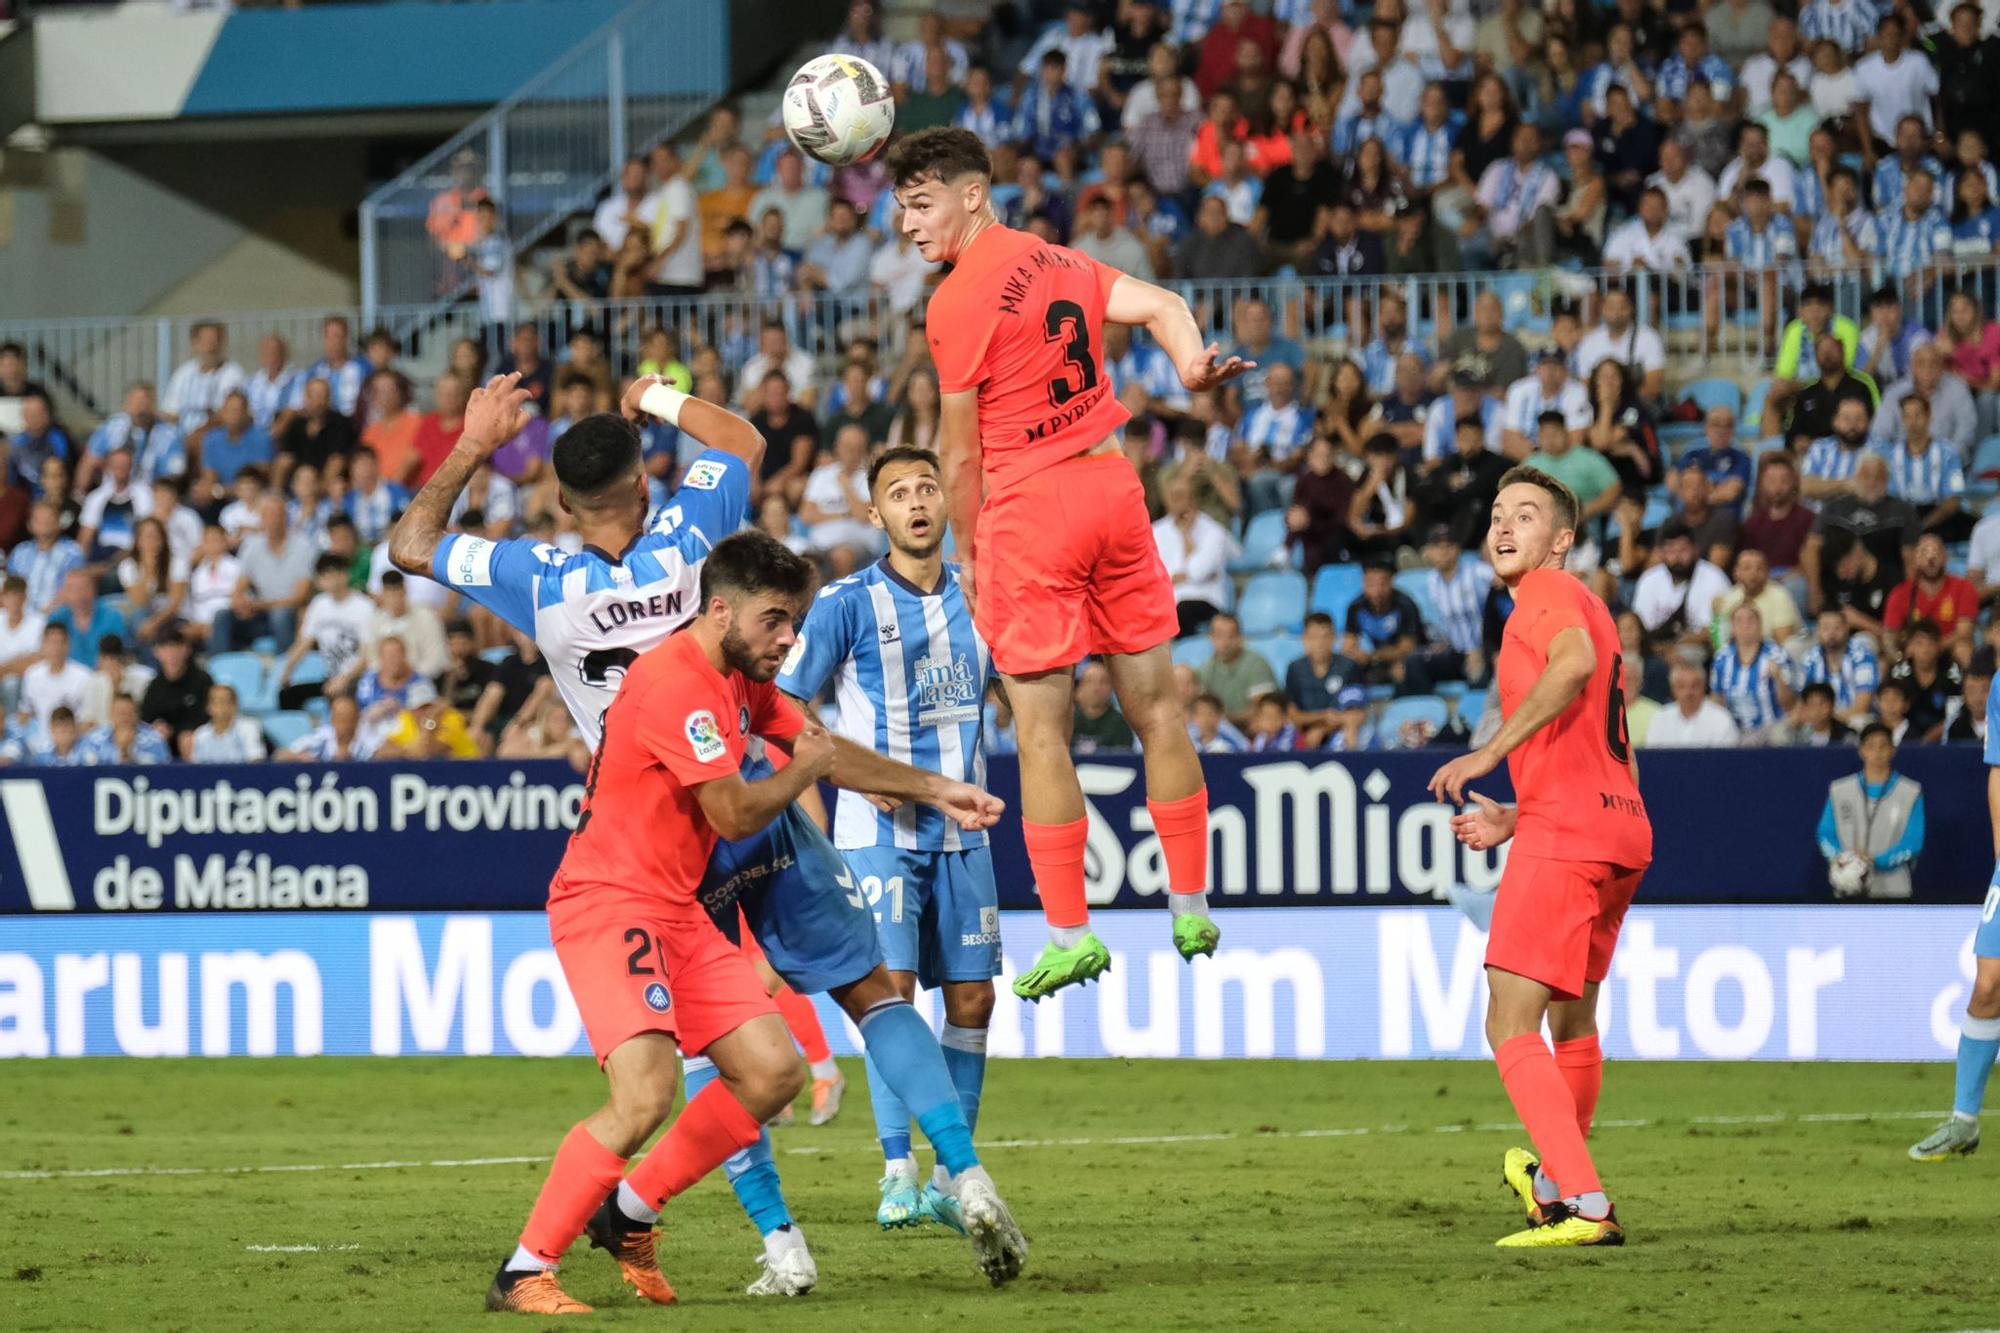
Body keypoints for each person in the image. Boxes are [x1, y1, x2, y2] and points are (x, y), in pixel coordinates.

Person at [394, 374, 1012, 1294]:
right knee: (868, 991)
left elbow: (411, 544)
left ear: (563, 502)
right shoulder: (697, 544)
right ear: (646, 486)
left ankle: (756, 1237)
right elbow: (743, 439)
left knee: (732, 1061)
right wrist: (650, 391)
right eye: (780, 624)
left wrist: (478, 443)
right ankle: (961, 1175)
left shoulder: (544, 580)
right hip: (712, 816)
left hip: (668, 836)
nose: (784, 636)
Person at [483, 532, 1024, 1314]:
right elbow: (735, 806)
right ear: (720, 608)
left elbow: (822, 747)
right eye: (775, 620)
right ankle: (524, 1269)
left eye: (795, 621)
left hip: (675, 905)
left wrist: (938, 787)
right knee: (645, 1096)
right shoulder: (675, 683)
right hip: (610, 900)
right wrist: (803, 768)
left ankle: (628, 1213)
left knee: (774, 1072)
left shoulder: (737, 677)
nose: (789, 639)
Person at [888, 126, 1231, 999]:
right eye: (899, 208)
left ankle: (1072, 931)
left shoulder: (957, 299)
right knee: (1157, 705)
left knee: (1042, 730)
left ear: (972, 195)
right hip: (1113, 488)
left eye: (920, 204)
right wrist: (1191, 362)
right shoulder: (1057, 258)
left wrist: (966, 554)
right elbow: (1159, 306)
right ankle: (1189, 903)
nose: (906, 224)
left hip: (1030, 511)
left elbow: (957, 457)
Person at [775, 446, 1004, 1227]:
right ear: (876, 515)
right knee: (892, 994)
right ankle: (897, 1169)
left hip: (966, 831)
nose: (916, 501)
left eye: (927, 488)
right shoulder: (845, 603)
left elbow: (1021, 692)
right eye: (898, 493)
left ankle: (949, 1176)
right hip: (876, 831)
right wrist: (839, 785)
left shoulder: (984, 597)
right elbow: (785, 708)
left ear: (945, 505)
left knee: (973, 996)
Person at [1429, 467, 1650, 1247]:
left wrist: (1489, 750)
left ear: (1561, 539)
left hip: (1571, 837)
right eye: (1496, 513)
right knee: (1572, 1015)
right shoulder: (1593, 606)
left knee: (1508, 1017)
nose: (1503, 526)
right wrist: (1522, 814)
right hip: (1618, 827)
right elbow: (1598, 735)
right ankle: (1556, 1181)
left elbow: (1574, 667)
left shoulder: (1549, 597)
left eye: (1525, 515)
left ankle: (1585, 1203)